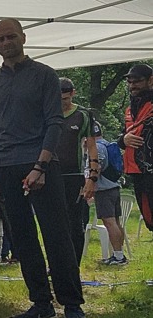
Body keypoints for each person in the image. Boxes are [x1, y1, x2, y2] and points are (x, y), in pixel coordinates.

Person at [0, 19, 87, 318]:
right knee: (22, 237)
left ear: (23, 38)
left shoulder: (44, 75)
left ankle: (72, 305)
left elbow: (54, 122)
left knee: (57, 234)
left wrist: (41, 165)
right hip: (3, 165)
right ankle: (41, 303)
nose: (5, 43)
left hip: (40, 162)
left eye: (10, 36)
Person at [57, 77, 96, 266]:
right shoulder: (47, 112)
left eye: (65, 99)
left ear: (73, 93)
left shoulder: (83, 114)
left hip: (74, 175)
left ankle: (74, 266)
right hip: (51, 175)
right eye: (59, 99)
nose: (62, 103)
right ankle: (57, 265)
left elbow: (92, 146)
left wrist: (92, 177)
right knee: (54, 224)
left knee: (74, 223)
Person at [117, 63, 153, 231]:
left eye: (137, 81)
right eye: (130, 82)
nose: (132, 86)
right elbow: (122, 137)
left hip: (150, 170)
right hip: (137, 172)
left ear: (151, 80)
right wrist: (123, 139)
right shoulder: (130, 109)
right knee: (149, 219)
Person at [87, 121, 127, 266]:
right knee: (116, 221)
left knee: (109, 222)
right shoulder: (107, 144)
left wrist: (89, 184)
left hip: (104, 189)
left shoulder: (97, 147)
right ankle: (119, 254)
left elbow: (97, 167)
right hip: (114, 187)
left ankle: (118, 256)